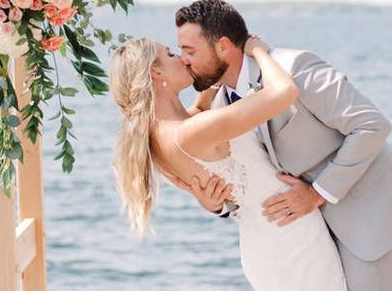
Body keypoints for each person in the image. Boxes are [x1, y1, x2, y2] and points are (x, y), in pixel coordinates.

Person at [169, 0, 392, 291]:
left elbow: (370, 125)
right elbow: (252, 173)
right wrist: (218, 205)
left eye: (188, 50)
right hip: (305, 238)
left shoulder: (295, 68)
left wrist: (317, 194)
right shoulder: (219, 105)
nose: (183, 60)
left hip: (365, 211)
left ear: (224, 46)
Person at [109, 33, 348, 290]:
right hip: (291, 235)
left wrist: (215, 62)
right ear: (156, 74)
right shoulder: (190, 132)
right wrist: (259, 51)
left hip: (264, 241)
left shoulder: (159, 136)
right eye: (170, 55)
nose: (182, 58)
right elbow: (284, 92)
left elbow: (200, 111)